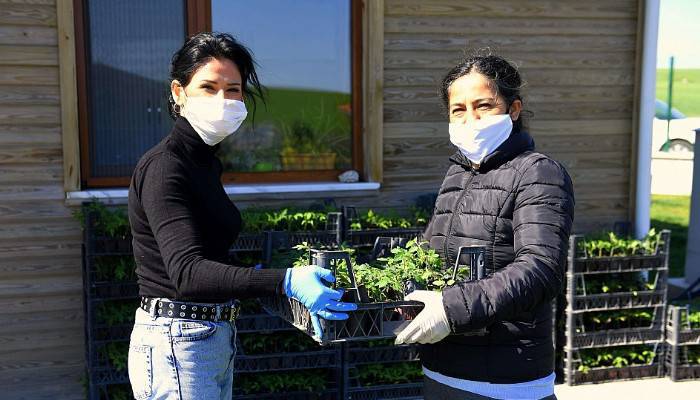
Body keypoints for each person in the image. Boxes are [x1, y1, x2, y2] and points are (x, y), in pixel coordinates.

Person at [126, 32, 356, 400]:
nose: (223, 100)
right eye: (208, 87)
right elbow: (188, 273)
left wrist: (280, 292)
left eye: (233, 90)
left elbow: (214, 258)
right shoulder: (165, 167)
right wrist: (284, 281)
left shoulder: (203, 163)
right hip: (177, 342)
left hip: (207, 337)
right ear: (178, 92)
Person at [395, 52, 575, 400]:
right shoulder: (458, 173)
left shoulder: (537, 173)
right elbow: (430, 251)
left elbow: (540, 270)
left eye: (484, 106)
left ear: (514, 110)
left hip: (505, 380)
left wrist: (450, 309)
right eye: (458, 110)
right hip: (442, 367)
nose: (470, 119)